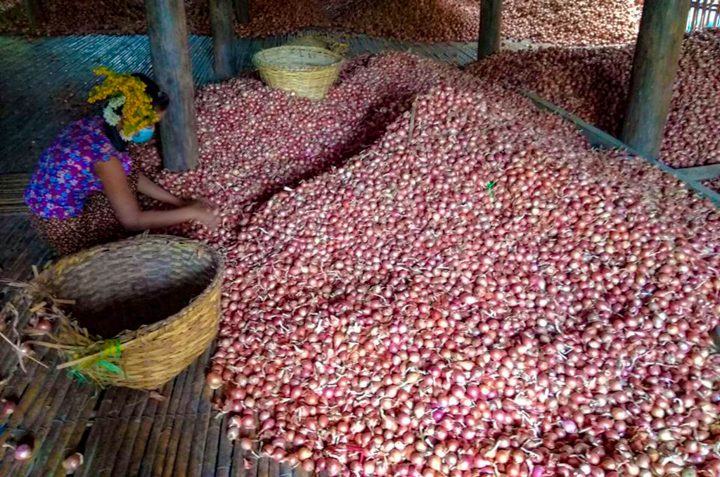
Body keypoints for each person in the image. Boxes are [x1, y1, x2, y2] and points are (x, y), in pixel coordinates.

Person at [24, 68, 217, 256]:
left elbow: (131, 174)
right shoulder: (105, 158)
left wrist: (179, 202)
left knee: (128, 181)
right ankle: (77, 251)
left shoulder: (97, 124)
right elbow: (133, 221)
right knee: (125, 241)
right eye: (149, 123)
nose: (151, 130)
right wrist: (194, 213)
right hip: (60, 223)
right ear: (129, 116)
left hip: (43, 199)